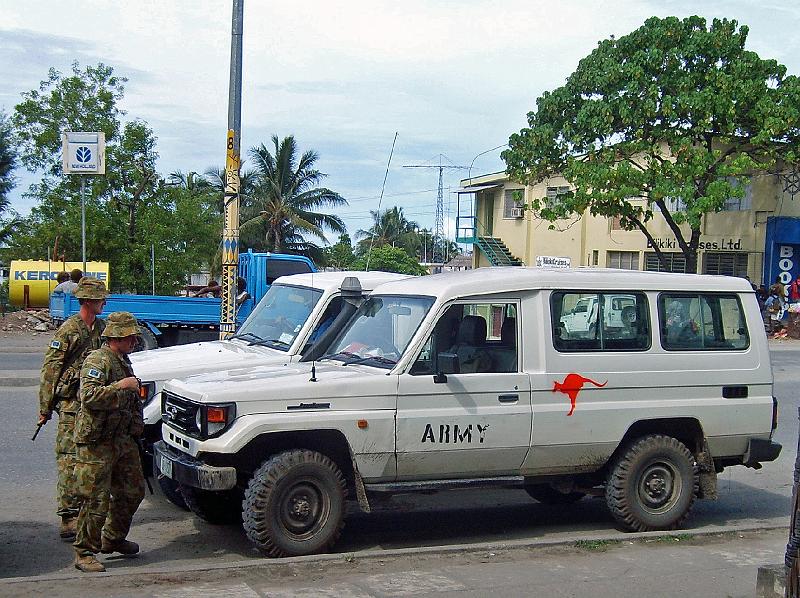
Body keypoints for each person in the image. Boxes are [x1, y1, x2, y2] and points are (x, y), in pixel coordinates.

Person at [72, 311, 146, 573]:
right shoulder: (98, 360)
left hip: (122, 438)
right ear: (117, 337)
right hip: (98, 441)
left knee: (133, 490)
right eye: (130, 338)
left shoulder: (122, 360)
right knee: (95, 499)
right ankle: (84, 551)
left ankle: (113, 538)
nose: (134, 342)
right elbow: (89, 397)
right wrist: (121, 387)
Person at [37, 277, 107, 541]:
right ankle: (68, 516)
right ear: (88, 300)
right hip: (70, 405)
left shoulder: (101, 328)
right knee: (69, 460)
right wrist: (45, 407)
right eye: (100, 299)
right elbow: (51, 369)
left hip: (93, 403)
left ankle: (89, 511)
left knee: (90, 461)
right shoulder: (69, 329)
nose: (104, 302)